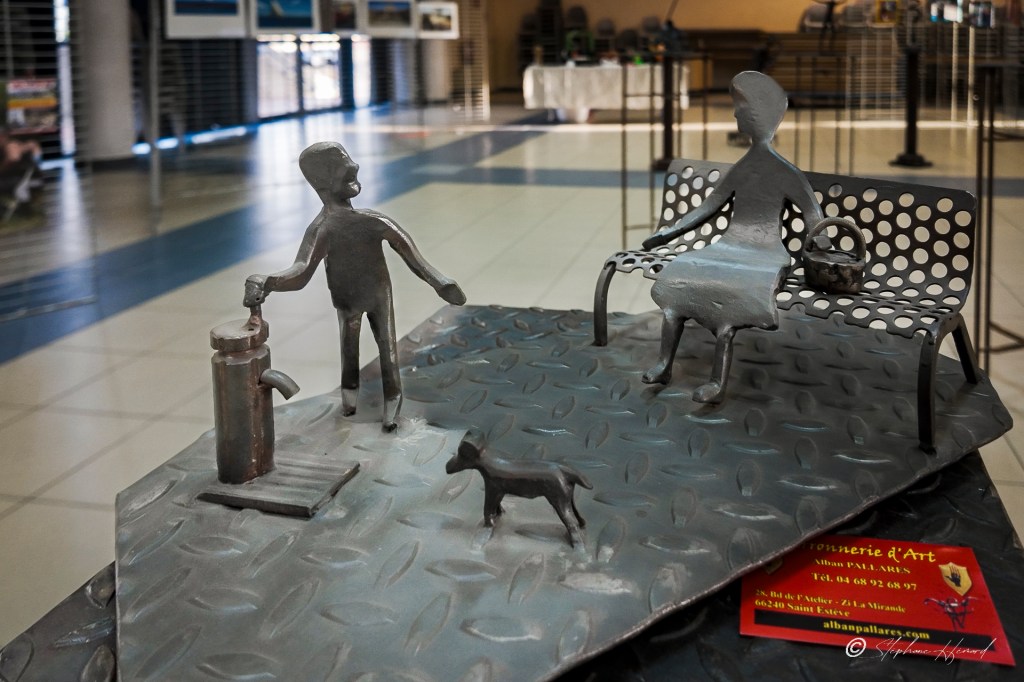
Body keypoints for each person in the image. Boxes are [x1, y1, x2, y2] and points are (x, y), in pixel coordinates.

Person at [244, 141, 466, 431]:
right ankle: (350, 396)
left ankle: (391, 398)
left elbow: (412, 256)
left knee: (386, 347)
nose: (354, 165)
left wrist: (439, 282)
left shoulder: (371, 221)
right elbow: (301, 273)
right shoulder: (324, 229)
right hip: (347, 299)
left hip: (377, 295)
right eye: (342, 164)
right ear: (322, 181)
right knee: (350, 348)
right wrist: (267, 281)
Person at [640, 71, 824, 403]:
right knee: (679, 280)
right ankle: (664, 364)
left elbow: (814, 217)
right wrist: (668, 233)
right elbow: (708, 207)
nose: (736, 113)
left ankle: (717, 381)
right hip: (727, 245)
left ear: (758, 114)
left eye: (741, 106)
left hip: (766, 253)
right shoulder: (743, 167)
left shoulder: (785, 172)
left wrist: (824, 248)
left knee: (729, 311)